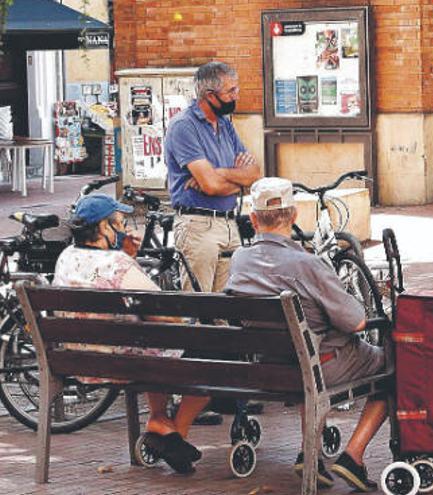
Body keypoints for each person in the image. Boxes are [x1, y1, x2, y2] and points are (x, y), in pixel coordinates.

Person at [225, 177, 386, 492]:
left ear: (254, 219)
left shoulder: (239, 260)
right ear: (295, 215)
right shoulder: (308, 264)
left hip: (269, 367)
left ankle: (309, 454)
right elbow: (355, 322)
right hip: (319, 367)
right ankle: (353, 456)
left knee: (307, 347)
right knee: (396, 365)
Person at [53, 195, 210, 474]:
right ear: (103, 228)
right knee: (213, 354)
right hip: (128, 363)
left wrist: (126, 257)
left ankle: (159, 420)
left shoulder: (66, 257)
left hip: (80, 362)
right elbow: (163, 313)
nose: (125, 230)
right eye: (120, 223)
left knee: (150, 342)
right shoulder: (117, 264)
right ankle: (175, 435)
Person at [164, 61, 262, 294]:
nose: (236, 96)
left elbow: (253, 174)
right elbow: (210, 186)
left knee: (228, 310)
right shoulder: (183, 126)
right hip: (198, 226)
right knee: (199, 309)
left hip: (229, 224)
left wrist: (219, 173)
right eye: (231, 91)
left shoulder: (225, 125)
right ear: (209, 95)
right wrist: (234, 182)